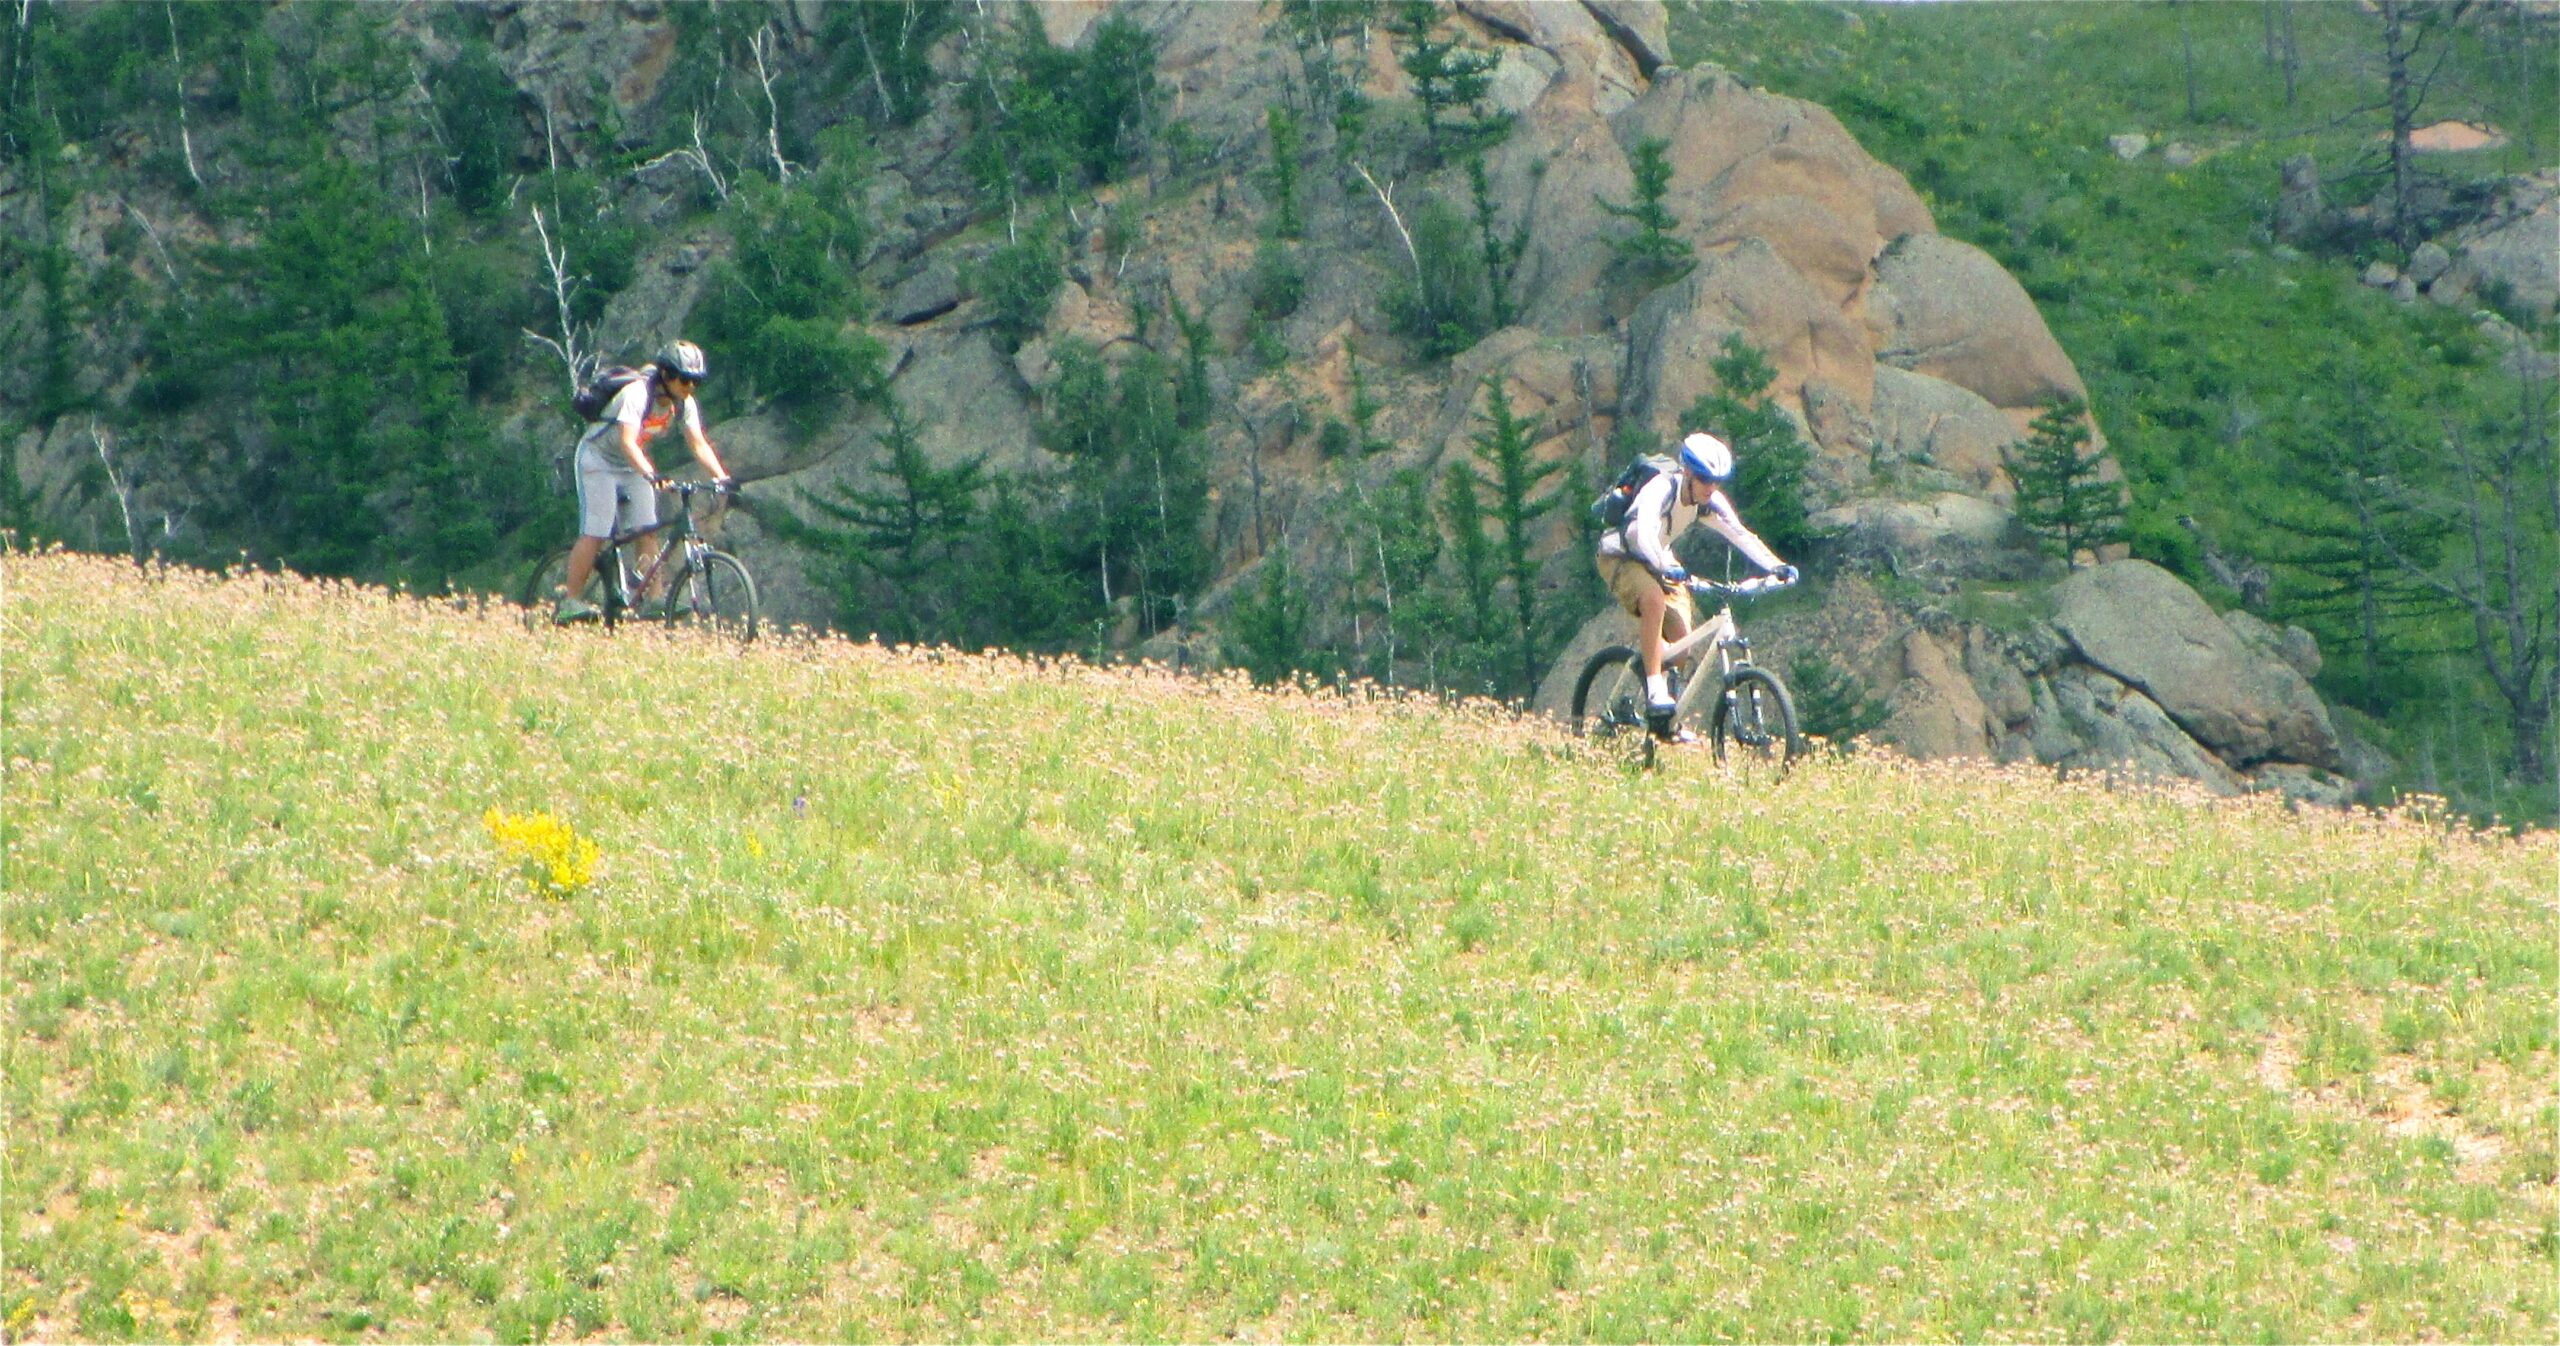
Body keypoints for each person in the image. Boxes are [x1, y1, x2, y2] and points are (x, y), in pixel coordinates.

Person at [1593, 431, 1797, 740]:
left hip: (1661, 561)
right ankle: (1654, 689)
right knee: (1653, 600)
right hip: (1621, 555)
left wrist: (1775, 566)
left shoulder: (1709, 500)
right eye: (1704, 479)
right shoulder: (1660, 488)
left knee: (1680, 646)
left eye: (1716, 481)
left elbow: (1739, 534)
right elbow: (1641, 533)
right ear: (1687, 471)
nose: (1710, 487)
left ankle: (1663, 720)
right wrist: (1666, 566)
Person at [554, 340, 735, 623]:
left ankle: (654, 599)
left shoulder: (684, 404)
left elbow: (698, 443)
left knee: (647, 529)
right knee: (597, 531)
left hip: (631, 463)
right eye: (685, 379)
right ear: (666, 374)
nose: (690, 387)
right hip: (597, 459)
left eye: (695, 381)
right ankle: (570, 601)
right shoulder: (637, 394)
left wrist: (721, 477)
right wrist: (652, 474)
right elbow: (627, 441)